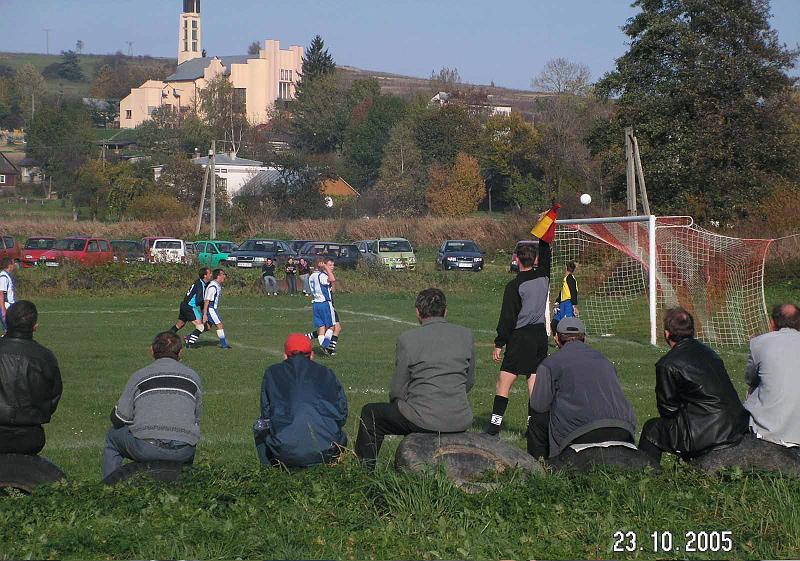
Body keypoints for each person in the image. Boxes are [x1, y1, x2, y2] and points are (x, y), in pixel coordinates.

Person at [355, 288, 475, 468]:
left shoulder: (408, 339)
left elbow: (398, 389)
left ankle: (364, 471)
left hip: (423, 418)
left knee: (370, 413)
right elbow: (469, 381)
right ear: (445, 310)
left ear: (418, 312)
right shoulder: (466, 335)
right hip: (460, 418)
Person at [638, 307, 749, 463]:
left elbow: (668, 409)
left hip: (710, 431)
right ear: (692, 330)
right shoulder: (710, 352)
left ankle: (647, 476)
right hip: (737, 423)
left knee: (652, 430)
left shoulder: (667, 364)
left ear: (667, 333)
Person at [528, 317, 636, 459]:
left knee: (536, 421)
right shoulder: (605, 361)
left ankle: (543, 469)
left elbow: (539, 405)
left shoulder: (550, 363)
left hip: (581, 432)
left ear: (556, 339)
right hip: (624, 428)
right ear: (584, 338)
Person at [102, 331, 202, 478]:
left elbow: (121, 417)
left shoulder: (140, 375)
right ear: (180, 352)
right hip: (184, 450)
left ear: (151, 351)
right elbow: (196, 419)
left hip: (146, 447)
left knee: (112, 436)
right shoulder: (193, 377)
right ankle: (183, 485)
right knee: (188, 436)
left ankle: (109, 490)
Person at [486, 239, 551, 436]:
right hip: (540, 335)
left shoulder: (514, 286)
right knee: (533, 382)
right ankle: (533, 428)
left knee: (504, 381)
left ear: (516, 259)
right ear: (536, 259)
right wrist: (544, 238)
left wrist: (499, 343)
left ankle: (494, 427)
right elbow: (547, 255)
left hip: (521, 337)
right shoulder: (544, 276)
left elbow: (508, 317)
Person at [253, 333, 348, 467]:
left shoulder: (272, 372)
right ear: (312, 356)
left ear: (285, 356)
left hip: (285, 451)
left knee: (260, 426)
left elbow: (266, 413)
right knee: (339, 431)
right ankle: (332, 467)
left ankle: (270, 472)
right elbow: (342, 413)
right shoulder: (327, 372)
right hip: (328, 449)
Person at [0, 301, 62, 454]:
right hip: (30, 435)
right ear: (34, 326)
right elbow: (53, 396)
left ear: (6, 322)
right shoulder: (45, 357)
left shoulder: (45, 357)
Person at [743, 303, 800, 447]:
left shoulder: (760, 342)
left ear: (772, 322)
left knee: (753, 389)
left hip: (769, 431)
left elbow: (750, 379)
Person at [307, 257, 342, 356]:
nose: (332, 267)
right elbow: (332, 279)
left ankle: (311, 339)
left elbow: (332, 289)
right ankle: (326, 347)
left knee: (323, 328)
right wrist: (326, 269)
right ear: (322, 264)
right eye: (329, 265)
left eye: (332, 265)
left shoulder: (312, 276)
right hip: (325, 303)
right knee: (333, 326)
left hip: (316, 303)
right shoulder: (322, 276)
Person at [170, 267, 212, 344]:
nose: (211, 275)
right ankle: (189, 341)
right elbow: (200, 301)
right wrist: (204, 314)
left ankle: (166, 338)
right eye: (210, 273)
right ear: (205, 275)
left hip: (184, 305)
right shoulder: (200, 285)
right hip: (190, 307)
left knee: (180, 324)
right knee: (201, 327)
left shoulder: (201, 282)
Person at [202, 268, 231, 349]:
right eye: (223, 274)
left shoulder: (216, 285)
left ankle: (190, 337)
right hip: (211, 309)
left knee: (207, 327)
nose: (224, 276)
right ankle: (224, 345)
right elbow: (207, 301)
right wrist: (205, 314)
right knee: (220, 325)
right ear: (218, 276)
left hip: (212, 309)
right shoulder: (213, 287)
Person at [552, 261, 578, 334]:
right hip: (562, 304)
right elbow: (562, 293)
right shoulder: (566, 278)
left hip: (568, 304)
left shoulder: (570, 278)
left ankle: (569, 341)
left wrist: (574, 305)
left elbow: (573, 291)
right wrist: (557, 302)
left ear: (566, 268)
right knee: (554, 323)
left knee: (567, 325)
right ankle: (559, 342)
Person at [0, 257, 17, 332]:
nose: (14, 265)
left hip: (10, 305)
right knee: (9, 329)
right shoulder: (3, 277)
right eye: (13, 264)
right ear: (9, 265)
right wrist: (3, 309)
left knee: (11, 328)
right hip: (6, 305)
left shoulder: (7, 275)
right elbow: (1, 293)